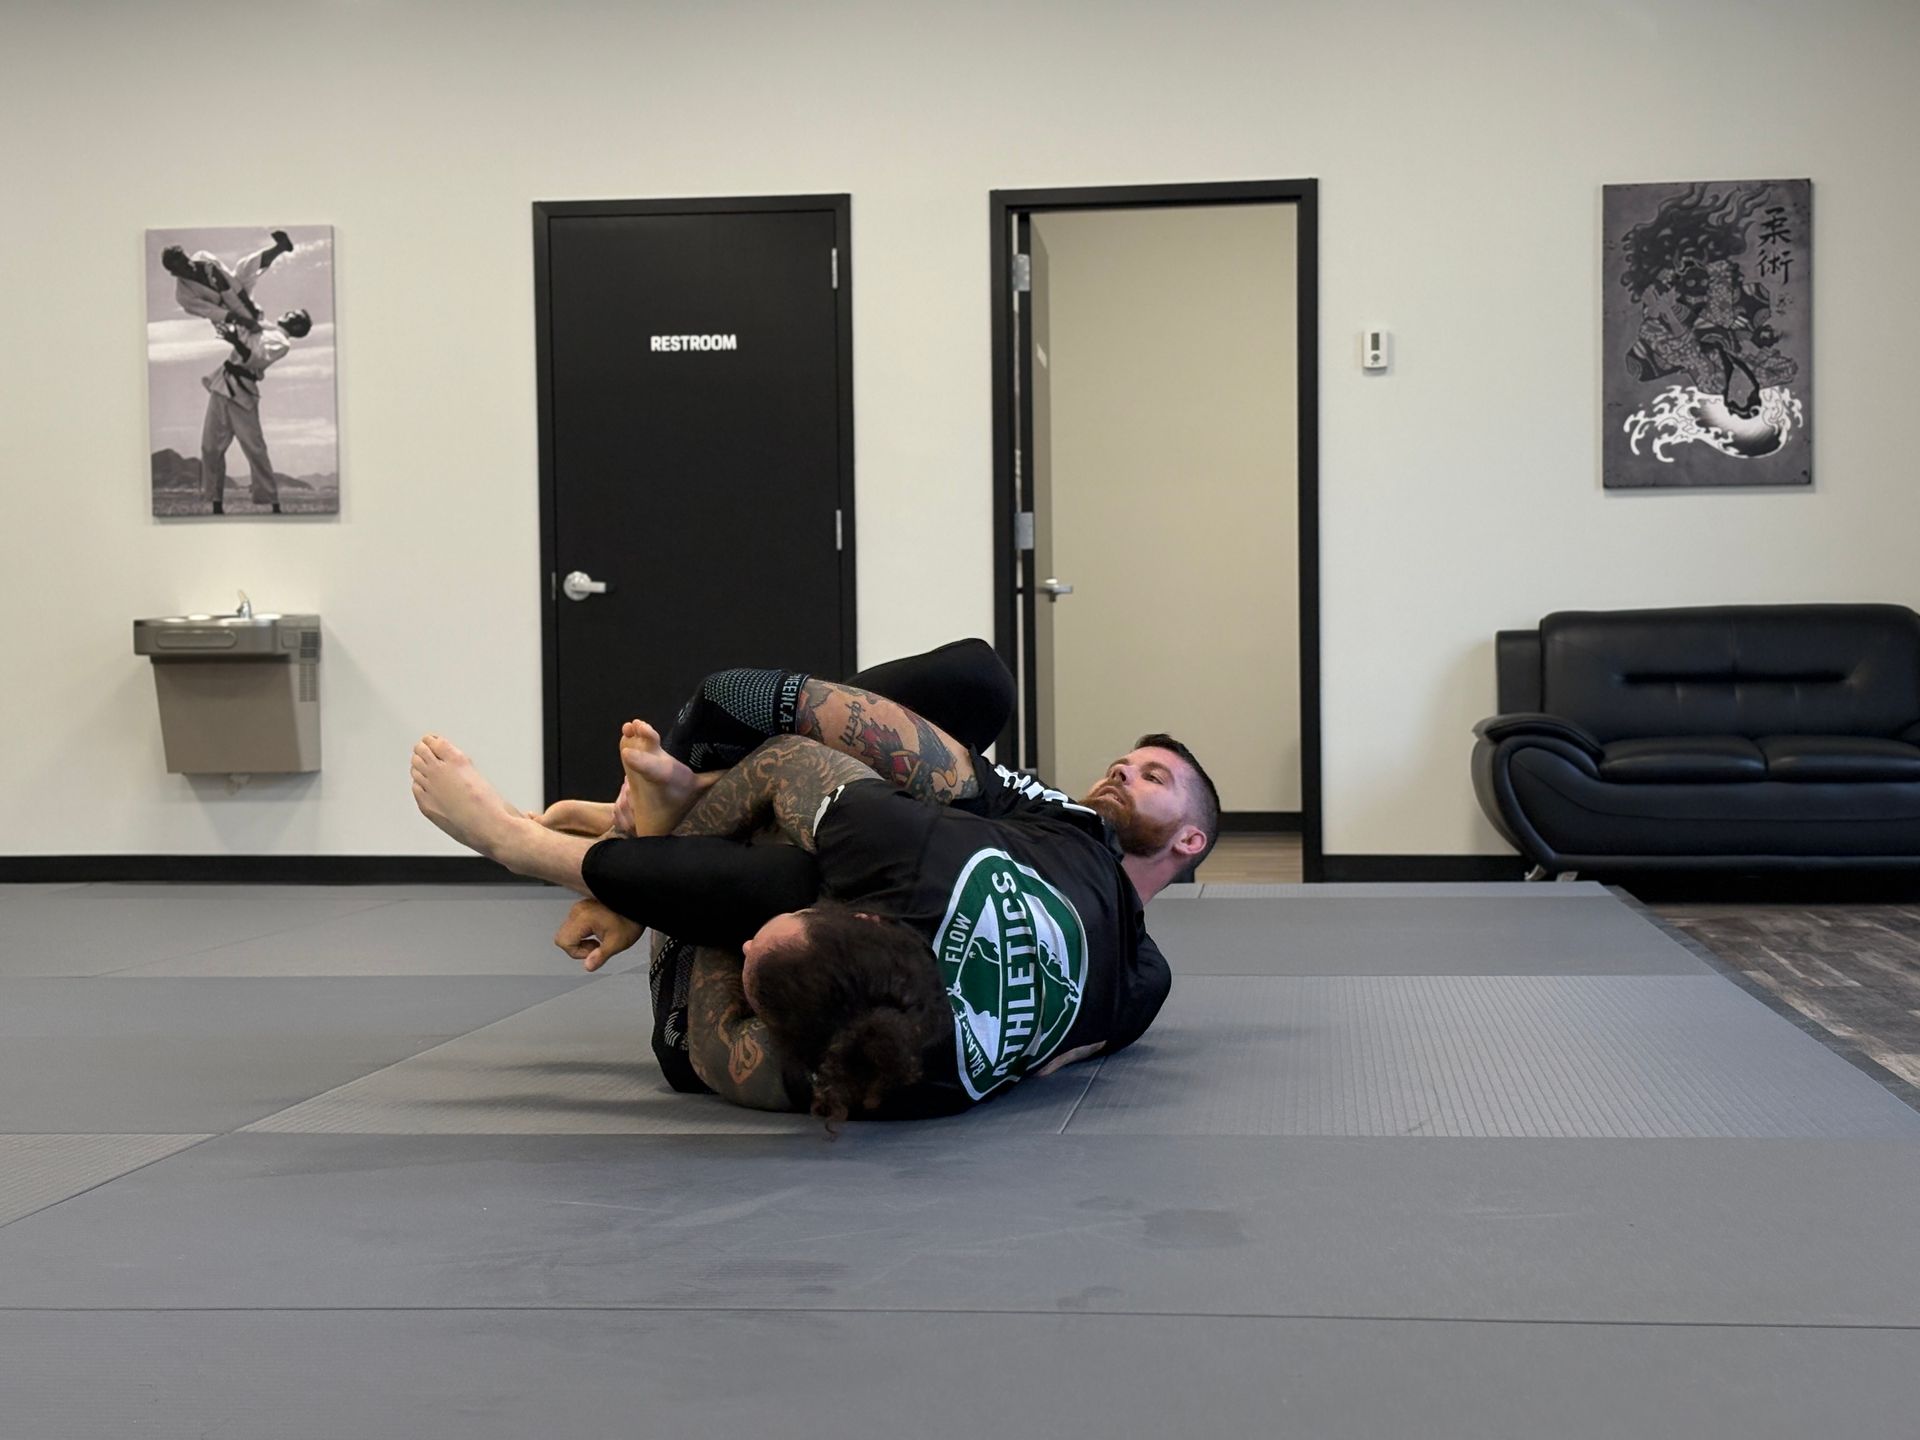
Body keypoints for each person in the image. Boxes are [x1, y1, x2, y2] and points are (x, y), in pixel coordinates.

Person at [411, 641, 1220, 1124]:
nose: (1122, 770)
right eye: (1130, 762)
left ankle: (639, 838)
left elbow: (706, 1053)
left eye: (1153, 777)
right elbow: (1065, 1055)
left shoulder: (877, 1073)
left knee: (785, 883)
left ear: (1191, 840)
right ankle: (682, 802)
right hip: (951, 835)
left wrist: (519, 844)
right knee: (970, 676)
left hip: (860, 916)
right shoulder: (1002, 853)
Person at [199, 309, 311, 515]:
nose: (288, 312)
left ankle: (271, 501)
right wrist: (228, 324)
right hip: (222, 383)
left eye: (294, 315)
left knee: (254, 448)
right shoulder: (263, 326)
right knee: (210, 447)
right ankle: (215, 502)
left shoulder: (282, 343)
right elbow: (240, 324)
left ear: (296, 327)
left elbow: (254, 358)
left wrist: (235, 341)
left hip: (243, 393)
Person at [161, 231, 295, 333]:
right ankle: (277, 333)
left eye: (187, 260)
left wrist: (250, 306)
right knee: (254, 333)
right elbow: (213, 312)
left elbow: (229, 280)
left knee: (243, 268)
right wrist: (246, 321)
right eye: (183, 267)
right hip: (225, 316)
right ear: (175, 273)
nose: (190, 265)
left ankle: (281, 247)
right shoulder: (183, 296)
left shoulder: (203, 257)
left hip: (233, 292)